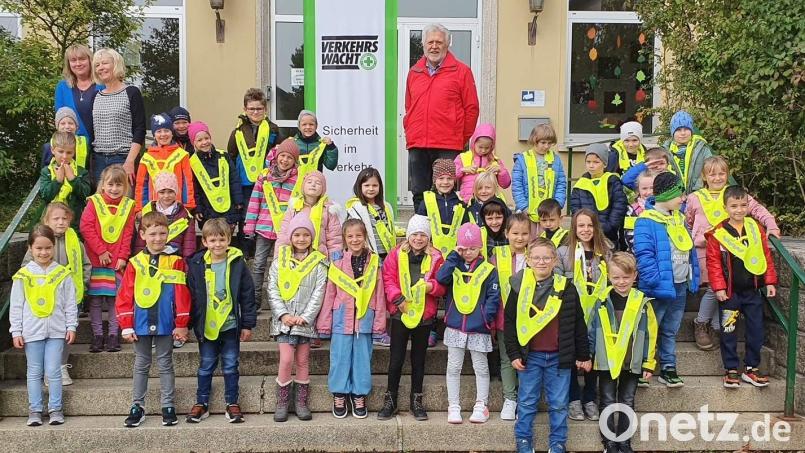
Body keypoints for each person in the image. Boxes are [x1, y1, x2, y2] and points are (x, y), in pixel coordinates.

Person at [504, 238, 591, 453]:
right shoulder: (518, 286)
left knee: (559, 404)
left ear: (554, 261)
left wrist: (583, 354)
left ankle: (558, 443)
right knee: (526, 402)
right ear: (528, 260)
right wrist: (513, 353)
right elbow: (509, 322)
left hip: (559, 358)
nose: (541, 262)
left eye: (546, 258)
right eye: (536, 258)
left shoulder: (566, 288)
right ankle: (523, 441)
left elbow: (578, 322)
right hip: (530, 356)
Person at [686, 156, 779, 350]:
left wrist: (771, 224)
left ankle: (713, 325)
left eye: (722, 174)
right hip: (705, 251)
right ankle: (702, 323)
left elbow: (757, 210)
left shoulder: (735, 195)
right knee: (714, 288)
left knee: (721, 289)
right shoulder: (695, 197)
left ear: (727, 175)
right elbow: (687, 221)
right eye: (712, 174)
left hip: (732, 254)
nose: (718, 178)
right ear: (704, 176)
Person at [116, 211, 191, 428]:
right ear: (142, 234)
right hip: (140, 322)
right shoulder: (135, 263)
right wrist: (126, 325)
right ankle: (137, 406)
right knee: (141, 364)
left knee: (165, 363)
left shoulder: (176, 261)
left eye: (162, 233)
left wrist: (182, 323)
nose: (158, 238)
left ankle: (168, 405)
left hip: (166, 321)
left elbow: (182, 293)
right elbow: (125, 295)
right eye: (153, 234)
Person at [705, 186, 778, 388]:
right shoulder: (717, 233)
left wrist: (770, 281)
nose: (739, 209)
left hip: (752, 291)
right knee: (728, 331)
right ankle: (730, 370)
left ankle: (751, 369)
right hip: (729, 293)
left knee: (756, 330)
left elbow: (766, 256)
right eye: (734, 206)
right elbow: (713, 263)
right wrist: (718, 287)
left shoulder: (756, 228)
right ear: (725, 207)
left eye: (743, 205)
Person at [185, 218, 257, 424]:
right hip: (207, 326)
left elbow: (247, 294)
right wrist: (187, 324)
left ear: (229, 240)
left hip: (231, 325)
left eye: (222, 239)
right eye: (213, 240)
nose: (218, 244)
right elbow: (191, 296)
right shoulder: (197, 264)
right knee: (206, 365)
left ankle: (232, 402)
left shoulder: (237, 263)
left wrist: (247, 324)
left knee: (230, 365)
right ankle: (201, 403)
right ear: (205, 242)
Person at [633, 172, 700, 388]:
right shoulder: (646, 220)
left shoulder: (679, 218)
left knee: (671, 328)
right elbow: (644, 254)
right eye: (679, 195)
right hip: (657, 286)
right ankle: (644, 365)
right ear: (667, 195)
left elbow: (688, 249)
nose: (682, 199)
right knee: (651, 328)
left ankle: (668, 367)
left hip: (679, 284)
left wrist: (693, 275)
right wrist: (654, 281)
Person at [587, 252, 657, 453]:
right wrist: (588, 356)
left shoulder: (643, 302)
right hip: (606, 361)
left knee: (627, 400)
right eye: (616, 277)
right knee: (607, 400)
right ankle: (609, 442)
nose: (621, 282)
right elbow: (591, 330)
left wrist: (648, 362)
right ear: (609, 276)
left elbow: (651, 334)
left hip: (631, 362)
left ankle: (624, 442)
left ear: (635, 276)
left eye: (626, 277)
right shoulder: (601, 300)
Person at [378, 215, 445, 422]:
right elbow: (388, 278)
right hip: (401, 313)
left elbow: (442, 284)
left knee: (419, 360)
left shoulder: (436, 257)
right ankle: (390, 399)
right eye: (414, 234)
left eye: (423, 235)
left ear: (428, 237)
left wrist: (431, 286)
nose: (418, 238)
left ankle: (417, 399)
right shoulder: (396, 254)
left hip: (424, 316)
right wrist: (398, 300)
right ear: (408, 235)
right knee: (396, 359)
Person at [404, 23, 479, 208]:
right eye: (430, 42)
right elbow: (409, 106)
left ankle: (447, 233)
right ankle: (421, 232)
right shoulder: (414, 72)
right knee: (419, 191)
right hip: (418, 143)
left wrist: (460, 137)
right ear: (423, 45)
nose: (434, 46)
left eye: (439, 42)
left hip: (448, 144)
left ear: (447, 44)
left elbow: (472, 108)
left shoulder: (462, 72)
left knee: (447, 191)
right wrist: (410, 128)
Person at [10, 225, 78, 427]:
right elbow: (16, 305)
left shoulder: (62, 274)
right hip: (31, 332)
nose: (43, 252)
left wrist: (71, 326)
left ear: (53, 246)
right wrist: (16, 331)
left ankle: (56, 409)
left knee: (54, 371)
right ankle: (35, 410)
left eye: (48, 248)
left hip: (56, 331)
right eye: (38, 248)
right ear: (31, 248)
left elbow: (69, 303)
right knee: (34, 371)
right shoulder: (23, 276)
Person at [318, 219, 386, 419]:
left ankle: (359, 394)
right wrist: (324, 323)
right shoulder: (337, 261)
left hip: (365, 318)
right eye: (350, 236)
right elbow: (330, 293)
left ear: (365, 237)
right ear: (344, 239)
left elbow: (379, 294)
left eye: (359, 235)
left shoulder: (374, 262)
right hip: (341, 319)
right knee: (339, 358)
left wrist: (379, 323)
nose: (355, 239)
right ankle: (339, 394)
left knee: (362, 360)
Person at [436, 223, 500, 424]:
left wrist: (485, 318)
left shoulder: (489, 269)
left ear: (480, 247)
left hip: (478, 327)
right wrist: (454, 255)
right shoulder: (453, 265)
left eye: (473, 248)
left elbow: (493, 296)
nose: (469, 252)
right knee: (453, 367)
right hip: (455, 325)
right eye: (464, 248)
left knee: (480, 367)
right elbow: (441, 277)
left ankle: (482, 405)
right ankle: (453, 405)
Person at [21, 203, 90, 387]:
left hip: (67, 297)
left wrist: (82, 285)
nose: (61, 222)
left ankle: (60, 366)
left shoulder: (77, 243)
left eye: (65, 218)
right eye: (56, 218)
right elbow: (25, 268)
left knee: (64, 333)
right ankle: (46, 369)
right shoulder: (38, 244)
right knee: (43, 333)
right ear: (46, 221)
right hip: (42, 297)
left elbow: (85, 266)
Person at [268, 215, 328, 422]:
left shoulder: (319, 263)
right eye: (297, 234)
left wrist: (306, 317)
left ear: (312, 238)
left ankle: (301, 402)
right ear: (290, 237)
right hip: (284, 322)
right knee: (286, 360)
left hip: (305, 323)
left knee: (302, 360)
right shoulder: (279, 261)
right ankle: (282, 402)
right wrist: (283, 314)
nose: (301, 239)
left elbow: (319, 292)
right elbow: (272, 288)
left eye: (305, 235)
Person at [555, 209, 612, 422]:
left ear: (596, 227)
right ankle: (574, 399)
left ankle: (589, 397)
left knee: (594, 356)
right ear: (574, 228)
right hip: (572, 314)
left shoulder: (606, 251)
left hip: (598, 314)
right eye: (581, 226)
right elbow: (558, 284)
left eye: (589, 225)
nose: (585, 230)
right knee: (571, 356)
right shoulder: (563, 253)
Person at [79, 164, 136, 353]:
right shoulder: (94, 203)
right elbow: (86, 228)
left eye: (119, 185)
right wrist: (101, 251)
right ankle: (97, 335)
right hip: (96, 259)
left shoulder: (128, 206)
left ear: (125, 187)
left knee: (114, 300)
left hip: (116, 262)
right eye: (110, 184)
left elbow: (128, 233)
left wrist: (122, 256)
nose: (114, 189)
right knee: (95, 300)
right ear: (103, 185)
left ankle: (113, 334)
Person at [244, 138, 299, 309]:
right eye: (282, 155)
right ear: (276, 156)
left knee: (283, 265)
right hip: (264, 228)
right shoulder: (264, 177)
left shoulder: (298, 179)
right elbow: (255, 201)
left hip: (285, 231)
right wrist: (249, 226)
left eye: (290, 157)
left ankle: (282, 302)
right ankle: (255, 301)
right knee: (259, 264)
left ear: (294, 161)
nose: (285, 160)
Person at [489, 212, 531, 421]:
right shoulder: (498, 256)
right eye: (515, 233)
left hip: (531, 320)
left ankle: (525, 399)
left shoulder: (535, 255)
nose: (520, 238)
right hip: (504, 317)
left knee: (526, 359)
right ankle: (510, 398)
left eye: (524, 233)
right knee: (507, 359)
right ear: (506, 234)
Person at [226, 88, 281, 236]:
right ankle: (246, 249)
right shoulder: (237, 131)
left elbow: (280, 154)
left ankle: (260, 247)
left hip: (266, 181)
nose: (255, 112)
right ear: (245, 109)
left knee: (264, 214)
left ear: (265, 109)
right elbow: (231, 154)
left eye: (259, 108)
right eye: (251, 109)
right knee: (245, 215)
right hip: (244, 182)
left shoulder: (273, 129)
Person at [91, 48, 146, 185]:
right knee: (101, 204)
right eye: (97, 65)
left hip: (123, 158)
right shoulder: (96, 96)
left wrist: (130, 161)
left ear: (115, 64)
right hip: (99, 160)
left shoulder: (131, 93)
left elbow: (140, 129)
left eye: (104, 63)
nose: (101, 68)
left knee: (124, 203)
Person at [275, 171, 343, 262]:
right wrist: (278, 259)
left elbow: (335, 241)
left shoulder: (329, 210)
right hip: (294, 259)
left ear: (323, 189)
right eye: (309, 182)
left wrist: (336, 265)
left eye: (318, 183)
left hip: (320, 260)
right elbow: (284, 235)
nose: (313, 185)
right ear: (303, 186)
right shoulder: (294, 207)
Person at [135, 113, 195, 211]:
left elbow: (187, 183)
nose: (163, 134)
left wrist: (188, 204)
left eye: (166, 130)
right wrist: (140, 208)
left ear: (172, 133)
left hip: (177, 208)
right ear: (154, 135)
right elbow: (141, 185)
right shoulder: (146, 158)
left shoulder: (182, 155)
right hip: (153, 209)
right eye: (159, 131)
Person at [570, 144, 627, 247]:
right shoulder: (580, 184)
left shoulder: (612, 181)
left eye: (596, 162)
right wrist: (584, 227)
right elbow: (575, 209)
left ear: (604, 164)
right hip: (586, 234)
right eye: (588, 162)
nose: (591, 165)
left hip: (608, 234)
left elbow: (619, 206)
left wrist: (610, 227)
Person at [188, 121, 243, 228]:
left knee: (226, 237)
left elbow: (234, 180)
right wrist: (197, 208)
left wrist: (238, 201)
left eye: (206, 138)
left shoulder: (223, 156)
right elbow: (194, 189)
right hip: (207, 209)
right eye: (199, 140)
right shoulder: (192, 162)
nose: (204, 142)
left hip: (229, 207)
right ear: (193, 142)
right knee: (211, 238)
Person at [512, 123, 568, 225]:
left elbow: (561, 184)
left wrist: (557, 205)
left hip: (549, 213)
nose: (546, 146)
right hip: (527, 212)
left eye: (549, 143)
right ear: (534, 140)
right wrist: (524, 207)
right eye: (543, 142)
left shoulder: (555, 160)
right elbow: (517, 185)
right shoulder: (522, 159)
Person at [135, 172, 196, 261]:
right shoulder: (147, 211)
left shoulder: (186, 217)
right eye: (162, 192)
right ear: (157, 193)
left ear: (176, 192)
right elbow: (140, 243)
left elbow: (189, 246)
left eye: (170, 191)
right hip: (149, 259)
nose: (166, 196)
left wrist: (186, 266)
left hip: (174, 262)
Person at [416, 158, 468, 257]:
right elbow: (420, 225)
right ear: (434, 180)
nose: (445, 182)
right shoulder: (426, 201)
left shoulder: (460, 203)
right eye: (441, 178)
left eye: (449, 178)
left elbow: (464, 226)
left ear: (454, 181)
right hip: (430, 250)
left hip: (455, 251)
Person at [39, 131, 91, 228]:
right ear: (53, 150)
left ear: (74, 152)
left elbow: (85, 194)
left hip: (75, 222)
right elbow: (45, 195)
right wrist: (58, 181)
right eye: (61, 151)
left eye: (69, 152)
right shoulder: (46, 171)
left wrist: (72, 178)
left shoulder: (81, 172)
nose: (64, 156)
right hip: (52, 223)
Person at [345, 167, 399, 260]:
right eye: (367, 185)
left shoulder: (387, 206)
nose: (371, 188)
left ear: (380, 187)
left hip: (387, 255)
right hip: (367, 255)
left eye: (375, 185)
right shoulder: (356, 207)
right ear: (359, 186)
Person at [54, 44, 103, 144]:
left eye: (82, 59)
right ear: (69, 64)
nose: (78, 63)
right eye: (73, 60)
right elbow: (61, 121)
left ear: (90, 60)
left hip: (103, 147)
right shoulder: (62, 87)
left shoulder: (103, 85)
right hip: (74, 147)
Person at [454, 124, 510, 203]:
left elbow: (506, 184)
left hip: (488, 202)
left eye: (487, 148)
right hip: (467, 200)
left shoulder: (495, 161)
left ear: (492, 146)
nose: (483, 150)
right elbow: (451, 174)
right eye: (480, 147)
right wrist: (463, 170)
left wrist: (501, 171)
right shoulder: (463, 157)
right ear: (473, 143)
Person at [662, 110, 714, 194]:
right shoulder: (664, 151)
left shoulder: (702, 149)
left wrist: (696, 191)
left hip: (698, 195)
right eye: (678, 130)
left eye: (686, 129)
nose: (683, 133)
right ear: (673, 132)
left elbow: (710, 170)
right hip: (674, 197)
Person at [286, 110, 338, 187]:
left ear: (316, 126)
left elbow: (331, 165)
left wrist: (331, 147)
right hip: (293, 185)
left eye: (311, 124)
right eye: (304, 124)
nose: (308, 127)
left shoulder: (322, 144)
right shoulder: (291, 143)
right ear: (299, 126)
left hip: (314, 185)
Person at [623, 172, 655, 253]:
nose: (649, 192)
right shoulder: (631, 210)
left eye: (652, 188)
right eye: (644, 188)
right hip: (640, 253)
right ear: (638, 190)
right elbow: (629, 235)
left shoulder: (663, 207)